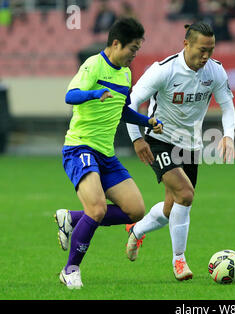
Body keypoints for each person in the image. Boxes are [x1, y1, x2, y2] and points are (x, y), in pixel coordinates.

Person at [55, 18, 163, 289]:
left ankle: (71, 218)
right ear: (116, 44)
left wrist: (146, 121)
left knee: (136, 210)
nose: (135, 54)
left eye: (137, 49)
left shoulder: (125, 74)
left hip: (106, 154)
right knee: (97, 208)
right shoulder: (93, 65)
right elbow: (71, 95)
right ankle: (70, 269)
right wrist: (93, 94)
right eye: (133, 49)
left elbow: (123, 109)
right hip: (80, 147)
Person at [125, 22, 235, 281]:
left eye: (211, 50)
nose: (206, 56)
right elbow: (132, 101)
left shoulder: (215, 71)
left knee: (170, 207)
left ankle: (137, 230)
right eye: (201, 50)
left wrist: (228, 135)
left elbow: (228, 106)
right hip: (159, 139)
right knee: (185, 195)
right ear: (186, 44)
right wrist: (137, 140)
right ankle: (179, 261)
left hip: (191, 146)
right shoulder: (163, 70)